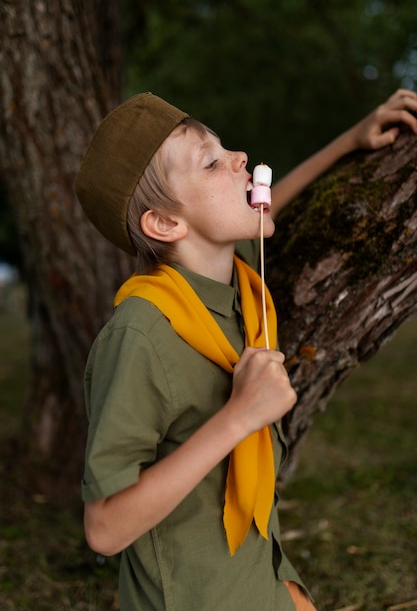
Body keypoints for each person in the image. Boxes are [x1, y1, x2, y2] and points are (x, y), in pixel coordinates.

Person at [75, 89, 417, 611]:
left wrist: (350, 140)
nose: (241, 159)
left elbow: (263, 208)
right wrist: (238, 418)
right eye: (212, 162)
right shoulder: (141, 334)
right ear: (165, 223)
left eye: (226, 149)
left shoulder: (237, 292)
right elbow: (103, 529)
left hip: (264, 579)